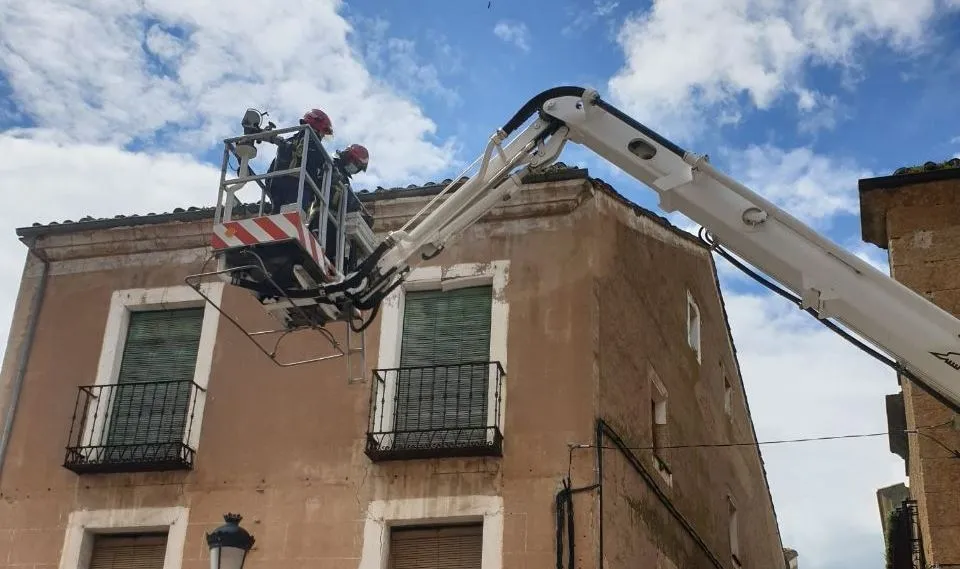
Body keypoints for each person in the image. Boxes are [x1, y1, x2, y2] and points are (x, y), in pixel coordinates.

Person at [264, 108, 334, 216]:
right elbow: (317, 168)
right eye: (323, 132)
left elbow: (272, 169)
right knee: (295, 218)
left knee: (276, 215)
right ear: (317, 127)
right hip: (298, 189)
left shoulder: (290, 140)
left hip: (276, 187)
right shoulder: (313, 144)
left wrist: (270, 184)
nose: (323, 136)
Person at [310, 143, 371, 269]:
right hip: (320, 216)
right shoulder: (330, 165)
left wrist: (360, 211)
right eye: (355, 164)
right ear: (348, 157)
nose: (355, 168)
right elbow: (317, 180)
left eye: (358, 167)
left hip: (335, 221)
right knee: (319, 247)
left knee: (332, 254)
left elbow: (349, 200)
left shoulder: (344, 180)